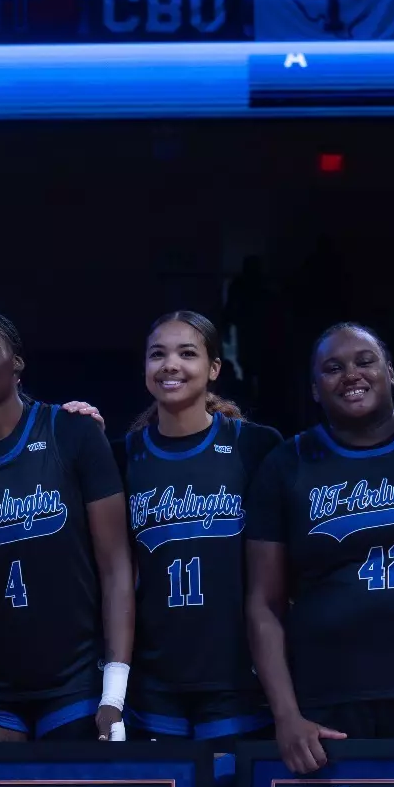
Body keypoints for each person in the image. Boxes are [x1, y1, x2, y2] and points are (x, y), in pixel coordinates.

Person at [246, 323, 394, 771]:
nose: (350, 374)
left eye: (364, 361)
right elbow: (264, 603)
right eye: (332, 368)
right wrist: (285, 715)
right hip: (327, 700)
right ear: (315, 390)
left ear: (391, 373)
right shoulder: (286, 464)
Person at [0, 311, 133, 742]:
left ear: (16, 362)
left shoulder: (72, 432)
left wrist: (114, 695)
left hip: (76, 682)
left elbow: (117, 568)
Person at [115, 311, 283, 745]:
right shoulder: (121, 455)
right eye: (158, 355)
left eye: (187, 353)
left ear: (213, 368)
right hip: (155, 675)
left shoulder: (257, 446)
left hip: (236, 673)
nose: (170, 364)